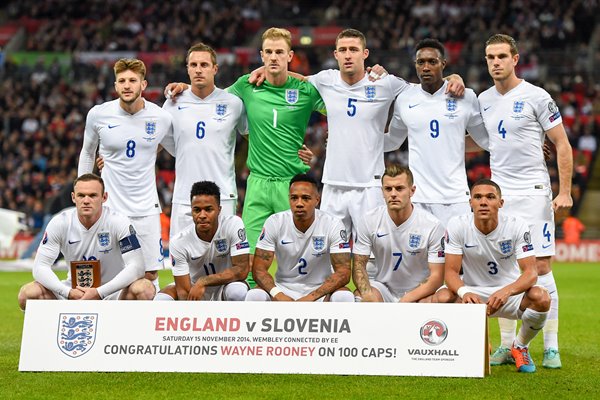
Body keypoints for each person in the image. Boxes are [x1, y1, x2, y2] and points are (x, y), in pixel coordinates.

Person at [166, 28, 325, 287]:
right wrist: (186, 87)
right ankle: (248, 307)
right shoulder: (246, 85)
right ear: (262, 55)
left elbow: (341, 113)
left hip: (292, 184)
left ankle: (303, 305)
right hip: (258, 184)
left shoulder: (305, 90)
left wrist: (318, 150)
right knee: (247, 263)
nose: (274, 57)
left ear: (290, 55)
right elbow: (209, 94)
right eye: (269, 52)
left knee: (300, 258)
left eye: (280, 52)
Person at [478, 34, 573, 368]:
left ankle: (550, 346)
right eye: (490, 57)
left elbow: (561, 143)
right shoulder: (483, 99)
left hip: (533, 191)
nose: (496, 62)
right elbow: (479, 142)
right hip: (500, 194)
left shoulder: (537, 96)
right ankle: (507, 346)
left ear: (515, 59)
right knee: (506, 268)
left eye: (502, 56)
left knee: (541, 267)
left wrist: (564, 191)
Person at [78, 58, 174, 292]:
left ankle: (149, 325)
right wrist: (83, 196)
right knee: (107, 271)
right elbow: (87, 153)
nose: (127, 85)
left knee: (149, 274)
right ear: (115, 85)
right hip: (111, 209)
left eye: (132, 80)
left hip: (146, 209)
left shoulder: (160, 117)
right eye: (122, 81)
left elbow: (176, 149)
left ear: (144, 84)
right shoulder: (99, 114)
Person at [437, 179, 551, 373]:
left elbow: (531, 273)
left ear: (501, 203)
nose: (483, 202)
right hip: (473, 295)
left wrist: (507, 291)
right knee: (442, 297)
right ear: (470, 203)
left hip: (509, 295)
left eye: (490, 197)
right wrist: (464, 292)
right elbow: (451, 272)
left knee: (541, 297)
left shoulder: (516, 225)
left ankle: (520, 346)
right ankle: (467, 344)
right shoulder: (457, 225)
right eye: (478, 197)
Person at [386, 38, 489, 227]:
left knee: (457, 256)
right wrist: (355, 141)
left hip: (455, 197)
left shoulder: (465, 96)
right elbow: (392, 141)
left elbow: (485, 140)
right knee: (420, 256)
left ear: (443, 64)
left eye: (432, 62)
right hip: (418, 198)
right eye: (421, 62)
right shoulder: (404, 99)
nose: (426, 67)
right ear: (415, 65)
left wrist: (525, 143)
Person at [17, 174, 154, 310]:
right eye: (81, 195)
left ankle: (128, 331)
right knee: (28, 294)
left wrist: (99, 292)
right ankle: (48, 332)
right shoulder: (60, 222)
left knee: (144, 289)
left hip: (113, 292)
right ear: (73, 197)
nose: (86, 200)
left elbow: (137, 267)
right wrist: (68, 292)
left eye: (93, 195)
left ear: (104, 197)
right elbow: (40, 267)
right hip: (74, 292)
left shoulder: (119, 221)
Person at [161, 43, 247, 237]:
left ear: (215, 68)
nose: (198, 70)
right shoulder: (173, 103)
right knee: (181, 263)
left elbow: (254, 138)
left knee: (224, 262)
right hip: (184, 198)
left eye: (204, 65)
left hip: (223, 197)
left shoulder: (233, 103)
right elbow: (154, 144)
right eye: (193, 65)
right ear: (187, 69)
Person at [245, 174, 353, 302]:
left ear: (317, 200)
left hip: (320, 290)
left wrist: (311, 297)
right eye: (294, 198)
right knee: (254, 295)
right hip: (283, 288)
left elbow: (344, 272)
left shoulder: (333, 224)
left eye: (306, 198)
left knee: (344, 296)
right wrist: (278, 294)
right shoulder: (275, 222)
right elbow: (259, 270)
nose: (299, 203)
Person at [353, 165, 445, 303]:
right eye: (388, 189)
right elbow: (359, 265)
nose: (393, 194)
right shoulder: (369, 220)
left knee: (444, 298)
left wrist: (407, 299)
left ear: (412, 191)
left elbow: (437, 276)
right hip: (384, 288)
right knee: (362, 296)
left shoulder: (432, 225)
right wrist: (367, 294)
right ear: (382, 192)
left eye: (399, 188)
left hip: (419, 291)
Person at [154, 181, 250, 301]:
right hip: (194, 290)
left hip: (226, 285)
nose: (202, 215)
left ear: (219, 210)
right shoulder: (179, 241)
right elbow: (184, 291)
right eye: (197, 210)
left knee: (237, 292)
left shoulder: (233, 224)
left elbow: (242, 270)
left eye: (208, 209)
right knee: (161, 299)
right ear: (191, 211)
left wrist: (204, 281)